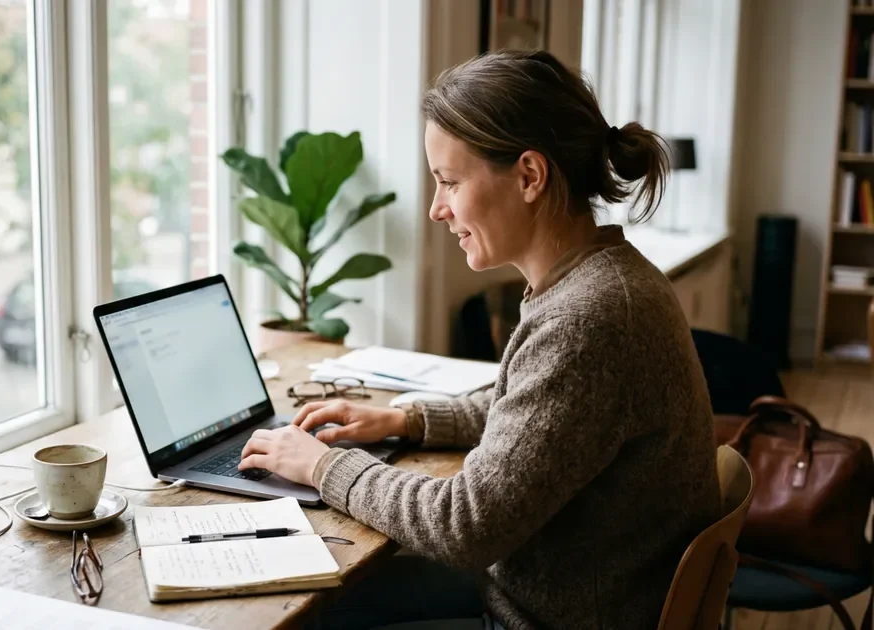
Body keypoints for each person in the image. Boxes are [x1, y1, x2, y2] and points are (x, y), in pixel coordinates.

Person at [238, 49, 722, 630]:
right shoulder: (601, 279)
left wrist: (322, 466)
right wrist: (406, 420)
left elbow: (463, 526)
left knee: (313, 610)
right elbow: (533, 412)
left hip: (542, 618)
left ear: (529, 176)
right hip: (559, 595)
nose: (438, 209)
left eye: (449, 182)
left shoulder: (589, 317)